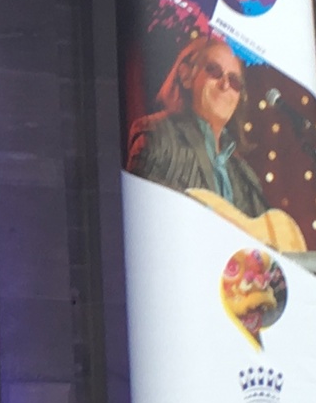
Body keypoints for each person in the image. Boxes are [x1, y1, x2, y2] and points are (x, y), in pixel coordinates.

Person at [125, 31, 306, 253]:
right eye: (214, 70)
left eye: (235, 80)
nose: (225, 85)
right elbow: (142, 218)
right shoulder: (157, 134)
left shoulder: (244, 175)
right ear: (186, 76)